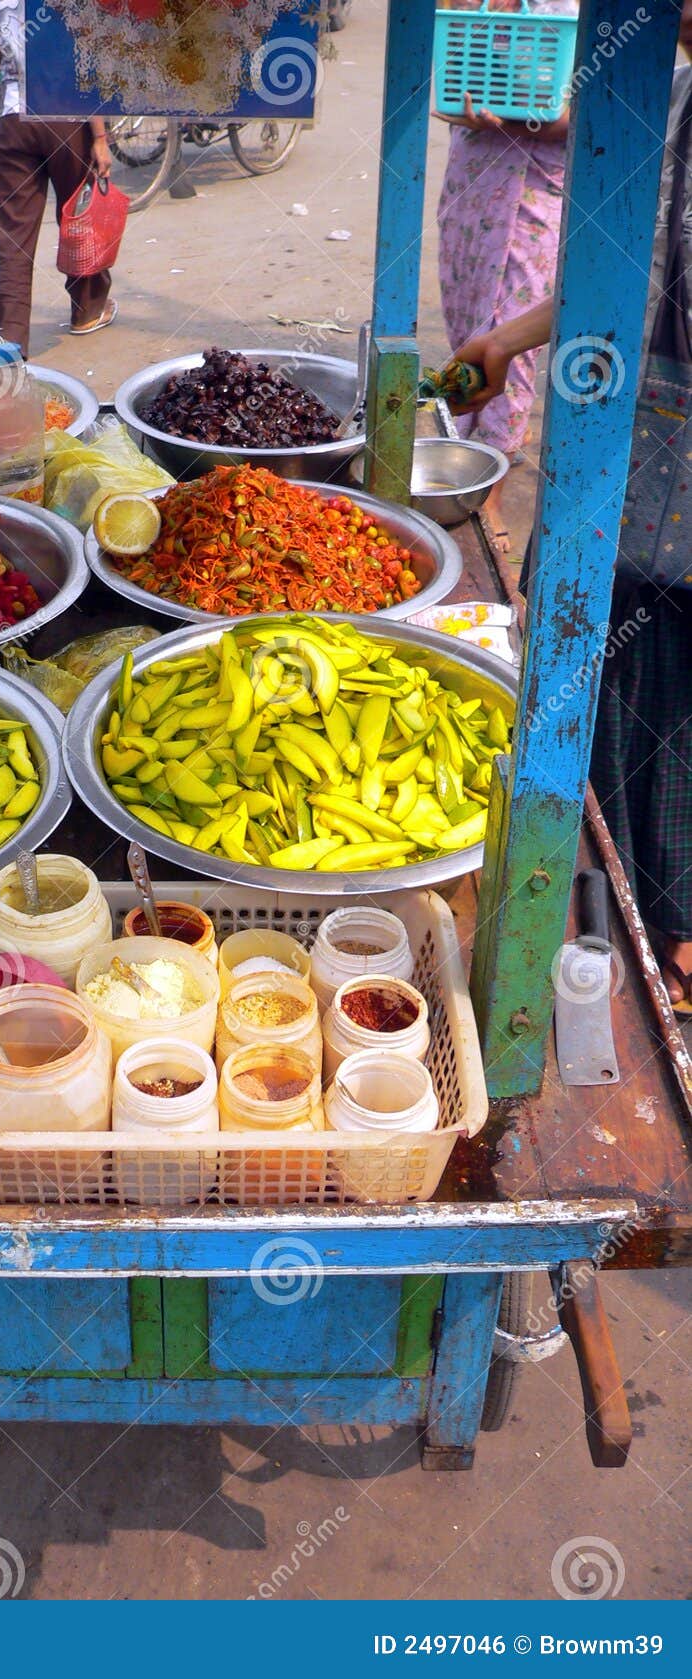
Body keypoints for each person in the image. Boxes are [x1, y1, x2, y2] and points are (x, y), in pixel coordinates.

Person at [448, 28, 692, 1016]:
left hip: (655, 472)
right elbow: (609, 258)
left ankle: (671, 930)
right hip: (628, 470)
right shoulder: (663, 96)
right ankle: (629, 910)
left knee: (671, 712)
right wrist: (503, 339)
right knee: (607, 680)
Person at [435, 1, 576, 553]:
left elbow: (587, 119)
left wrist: (509, 118)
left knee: (507, 347)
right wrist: (464, 110)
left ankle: (488, 494)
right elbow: (450, 90)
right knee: (469, 335)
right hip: (470, 192)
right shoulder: (473, 6)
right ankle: (458, 461)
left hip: (530, 196)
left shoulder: (565, 13)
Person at [0, 0, 117, 354]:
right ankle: (86, 311)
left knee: (13, 241)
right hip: (65, 119)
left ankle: (11, 342)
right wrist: (99, 136)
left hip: (14, 124)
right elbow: (86, 63)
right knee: (79, 220)